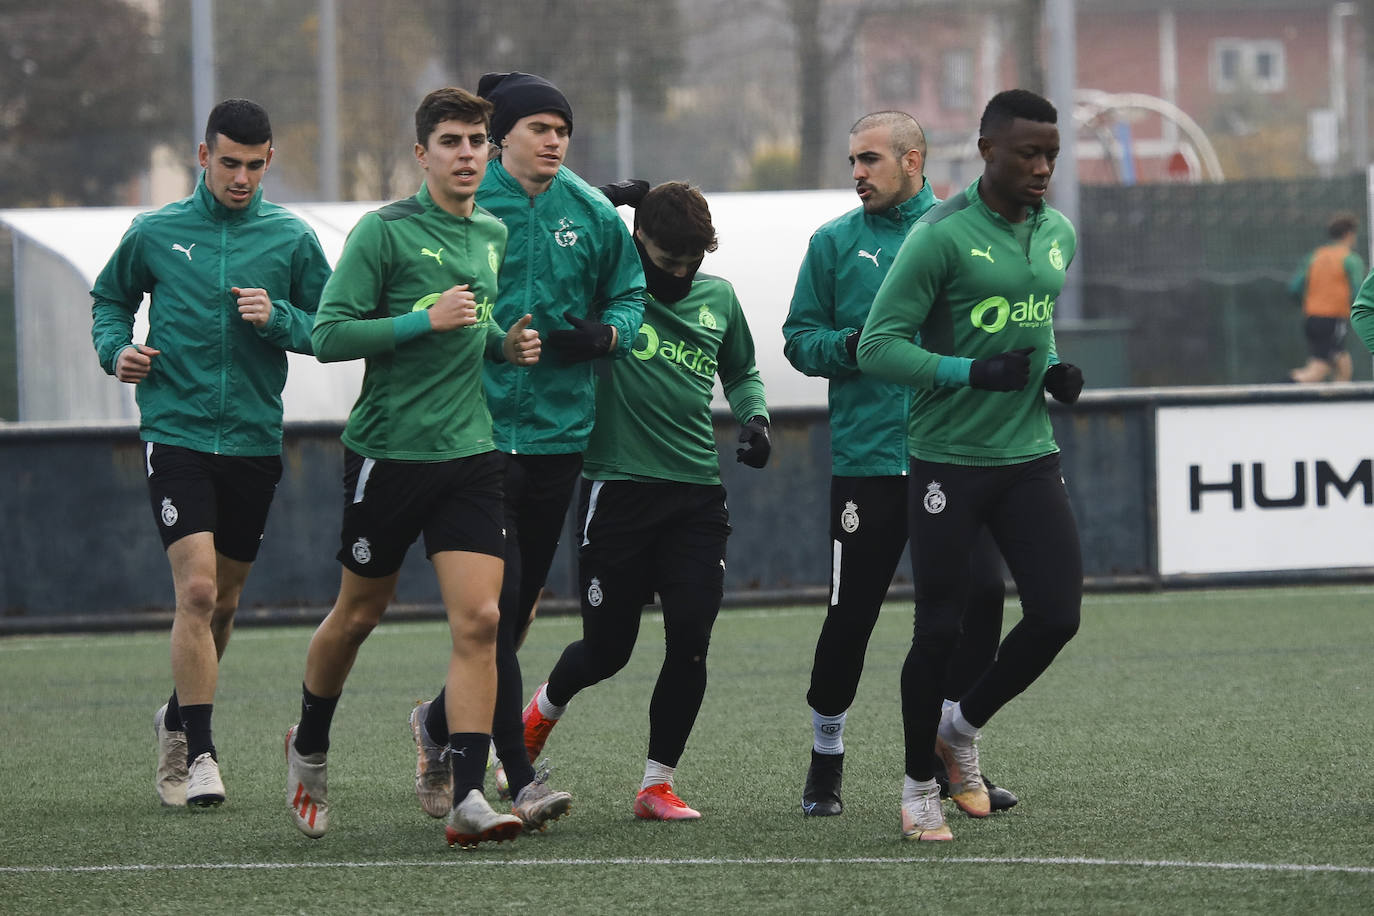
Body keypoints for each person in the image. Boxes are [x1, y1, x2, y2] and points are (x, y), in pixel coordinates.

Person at [283, 87, 545, 848]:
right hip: (389, 454)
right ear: (422, 153)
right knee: (359, 614)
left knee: (484, 620)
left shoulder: (493, 230)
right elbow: (328, 335)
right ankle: (309, 744)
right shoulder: (383, 232)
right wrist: (419, 321)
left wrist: (503, 342)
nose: (467, 154)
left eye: (477, 142)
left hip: (470, 454)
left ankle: (468, 795)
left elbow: (478, 317)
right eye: (452, 141)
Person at [408, 72, 645, 819]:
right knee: (496, 610)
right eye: (538, 128)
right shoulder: (470, 206)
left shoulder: (590, 211)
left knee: (512, 618)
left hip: (559, 437)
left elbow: (630, 296)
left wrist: (608, 334)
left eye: (561, 129)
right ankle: (517, 771)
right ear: (501, 136)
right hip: (473, 436)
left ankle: (437, 723)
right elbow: (423, 299)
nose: (553, 141)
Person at [857, 89, 1085, 841]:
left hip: (1027, 454)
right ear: (987, 151)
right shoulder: (939, 236)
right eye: (1028, 152)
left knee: (1056, 615)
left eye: (1051, 152)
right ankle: (919, 786)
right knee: (940, 630)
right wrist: (967, 372)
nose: (1043, 166)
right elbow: (876, 347)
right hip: (948, 462)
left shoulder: (1057, 233)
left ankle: (959, 730)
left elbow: (1034, 323)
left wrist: (1052, 371)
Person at [90, 98, 331, 809]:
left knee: (223, 603)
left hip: (254, 439)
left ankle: (175, 712)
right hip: (178, 431)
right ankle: (200, 753)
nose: (241, 178)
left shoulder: (290, 238)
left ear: (269, 162)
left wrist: (280, 317)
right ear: (203, 157)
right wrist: (117, 351)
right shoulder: (157, 231)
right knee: (195, 591)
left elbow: (334, 329)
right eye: (229, 163)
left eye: (255, 166)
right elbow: (109, 300)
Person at [782, 111, 1016, 819]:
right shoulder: (833, 244)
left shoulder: (962, 235)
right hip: (870, 462)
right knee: (850, 616)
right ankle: (826, 757)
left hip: (953, 456)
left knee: (980, 602)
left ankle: (949, 748)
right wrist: (856, 346)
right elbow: (798, 341)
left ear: (913, 161)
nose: (857, 172)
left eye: (870, 159)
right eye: (852, 160)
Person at [519, 181, 771, 820]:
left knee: (691, 637)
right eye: (669, 262)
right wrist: (602, 198)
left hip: (695, 497)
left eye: (694, 263)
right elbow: (551, 245)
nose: (683, 275)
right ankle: (535, 716)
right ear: (638, 244)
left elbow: (741, 370)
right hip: (617, 492)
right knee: (608, 651)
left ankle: (655, 785)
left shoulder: (720, 299)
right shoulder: (610, 294)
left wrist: (756, 418)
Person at [1288, 213, 1364, 383]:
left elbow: (1294, 289)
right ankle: (1276, 390)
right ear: (1349, 234)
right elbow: (1359, 292)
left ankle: (1338, 406)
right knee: (1318, 371)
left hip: (1312, 318)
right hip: (1332, 319)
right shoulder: (1350, 259)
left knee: (1343, 365)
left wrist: (1311, 304)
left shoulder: (1314, 256)